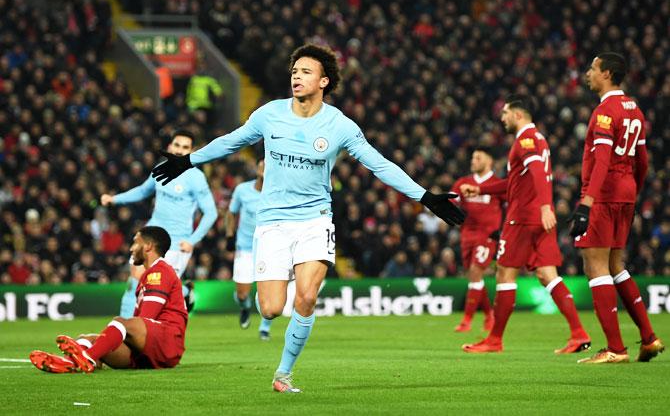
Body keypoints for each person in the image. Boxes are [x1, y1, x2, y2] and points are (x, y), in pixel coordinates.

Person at [151, 43, 465, 393]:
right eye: (294, 71)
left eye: (305, 72)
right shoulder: (269, 114)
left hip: (315, 219)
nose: (296, 77)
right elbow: (232, 141)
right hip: (271, 221)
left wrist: (425, 196)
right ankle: (268, 294)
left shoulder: (339, 125)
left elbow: (379, 164)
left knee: (306, 297)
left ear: (324, 82)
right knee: (270, 309)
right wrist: (189, 160)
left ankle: (283, 374)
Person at [460, 94, 591, 354]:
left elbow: (538, 174)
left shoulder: (526, 140)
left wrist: (543, 206)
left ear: (518, 115)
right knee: (547, 274)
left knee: (505, 274)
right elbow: (513, 183)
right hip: (540, 216)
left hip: (523, 217)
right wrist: (481, 188)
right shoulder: (539, 139)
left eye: (506, 113)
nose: (502, 117)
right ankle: (578, 333)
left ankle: (494, 340)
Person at [569, 52, 665, 364]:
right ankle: (649, 338)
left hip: (604, 194)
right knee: (615, 265)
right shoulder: (634, 110)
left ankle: (615, 348)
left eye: (592, 68)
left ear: (607, 73)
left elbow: (602, 160)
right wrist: (632, 189)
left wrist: (587, 202)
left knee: (594, 266)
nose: (588, 73)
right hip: (625, 193)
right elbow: (643, 160)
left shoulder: (605, 112)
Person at [29, 226, 188, 373]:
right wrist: (106, 343)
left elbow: (146, 318)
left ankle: (86, 357)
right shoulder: (149, 275)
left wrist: (119, 335)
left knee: (121, 323)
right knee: (89, 339)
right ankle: (70, 363)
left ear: (148, 246)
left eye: (135, 243)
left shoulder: (159, 272)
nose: (131, 248)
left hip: (167, 343)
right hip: (149, 350)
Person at [101, 129, 217, 317]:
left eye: (185, 147)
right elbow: (142, 191)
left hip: (177, 242)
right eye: (177, 145)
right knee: (134, 282)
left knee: (163, 288)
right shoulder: (160, 168)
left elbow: (211, 212)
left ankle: (186, 293)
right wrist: (115, 199)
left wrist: (192, 241)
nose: (179, 151)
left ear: (191, 151)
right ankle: (122, 330)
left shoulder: (196, 178)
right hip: (151, 236)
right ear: (170, 146)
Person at [226, 158, 291, 340]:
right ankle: (245, 306)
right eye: (263, 164)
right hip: (245, 247)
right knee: (242, 293)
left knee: (269, 291)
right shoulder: (242, 190)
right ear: (257, 168)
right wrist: (230, 235)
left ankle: (264, 327)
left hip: (269, 247)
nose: (265, 168)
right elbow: (231, 213)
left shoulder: (280, 193)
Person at [450, 147, 503, 333]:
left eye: (478, 157)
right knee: (474, 277)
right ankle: (489, 315)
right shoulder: (462, 183)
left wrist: (502, 229)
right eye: (472, 157)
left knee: (475, 271)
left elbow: (512, 204)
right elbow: (452, 203)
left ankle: (466, 320)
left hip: (487, 236)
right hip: (467, 235)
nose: (473, 160)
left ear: (489, 162)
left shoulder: (497, 184)